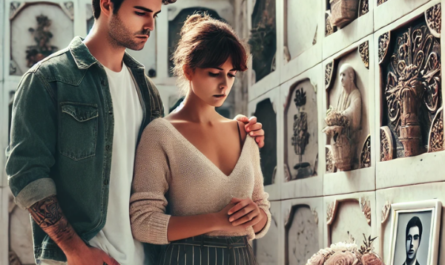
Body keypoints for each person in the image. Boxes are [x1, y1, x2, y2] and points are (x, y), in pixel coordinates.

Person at [5, 0, 265, 264]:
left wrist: (233, 131)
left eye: (155, 14)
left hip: (144, 257)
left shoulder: (146, 91)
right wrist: (76, 251)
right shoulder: (49, 79)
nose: (150, 24)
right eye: (141, 12)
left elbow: (170, 163)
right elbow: (26, 174)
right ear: (107, 4)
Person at [129, 14, 271, 265]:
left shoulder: (243, 131)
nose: (224, 84)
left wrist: (256, 215)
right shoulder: (160, 134)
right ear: (188, 70)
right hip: (186, 258)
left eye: (230, 74)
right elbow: (142, 222)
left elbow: (262, 214)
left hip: (243, 257)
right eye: (215, 73)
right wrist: (217, 220)